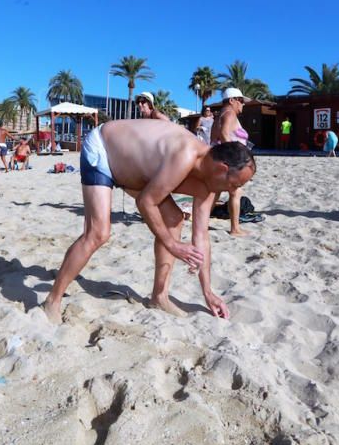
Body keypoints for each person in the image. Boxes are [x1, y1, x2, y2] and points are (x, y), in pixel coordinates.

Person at [41, 119, 256, 323]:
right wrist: (173, 246)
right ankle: (53, 300)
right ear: (222, 169)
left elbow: (201, 237)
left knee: (174, 218)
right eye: (234, 185)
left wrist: (208, 292)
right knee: (98, 233)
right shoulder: (185, 156)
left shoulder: (210, 187)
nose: (234, 191)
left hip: (137, 173)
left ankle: (158, 297)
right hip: (104, 150)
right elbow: (146, 202)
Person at [210, 87, 251, 236]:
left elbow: (213, 139)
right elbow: (224, 134)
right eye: (241, 101)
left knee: (215, 192)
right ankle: (235, 229)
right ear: (232, 101)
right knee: (236, 192)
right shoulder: (229, 113)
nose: (243, 104)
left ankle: (199, 221)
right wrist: (233, 158)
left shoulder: (219, 116)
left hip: (216, 159)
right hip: (227, 161)